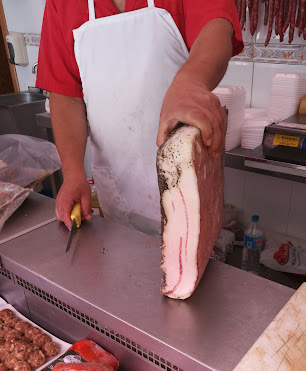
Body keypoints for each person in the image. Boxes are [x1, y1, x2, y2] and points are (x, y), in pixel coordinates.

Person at [36, 0, 243, 235]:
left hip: (187, 184)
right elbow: (66, 94)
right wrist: (73, 173)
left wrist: (192, 84)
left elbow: (216, 27)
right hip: (118, 192)